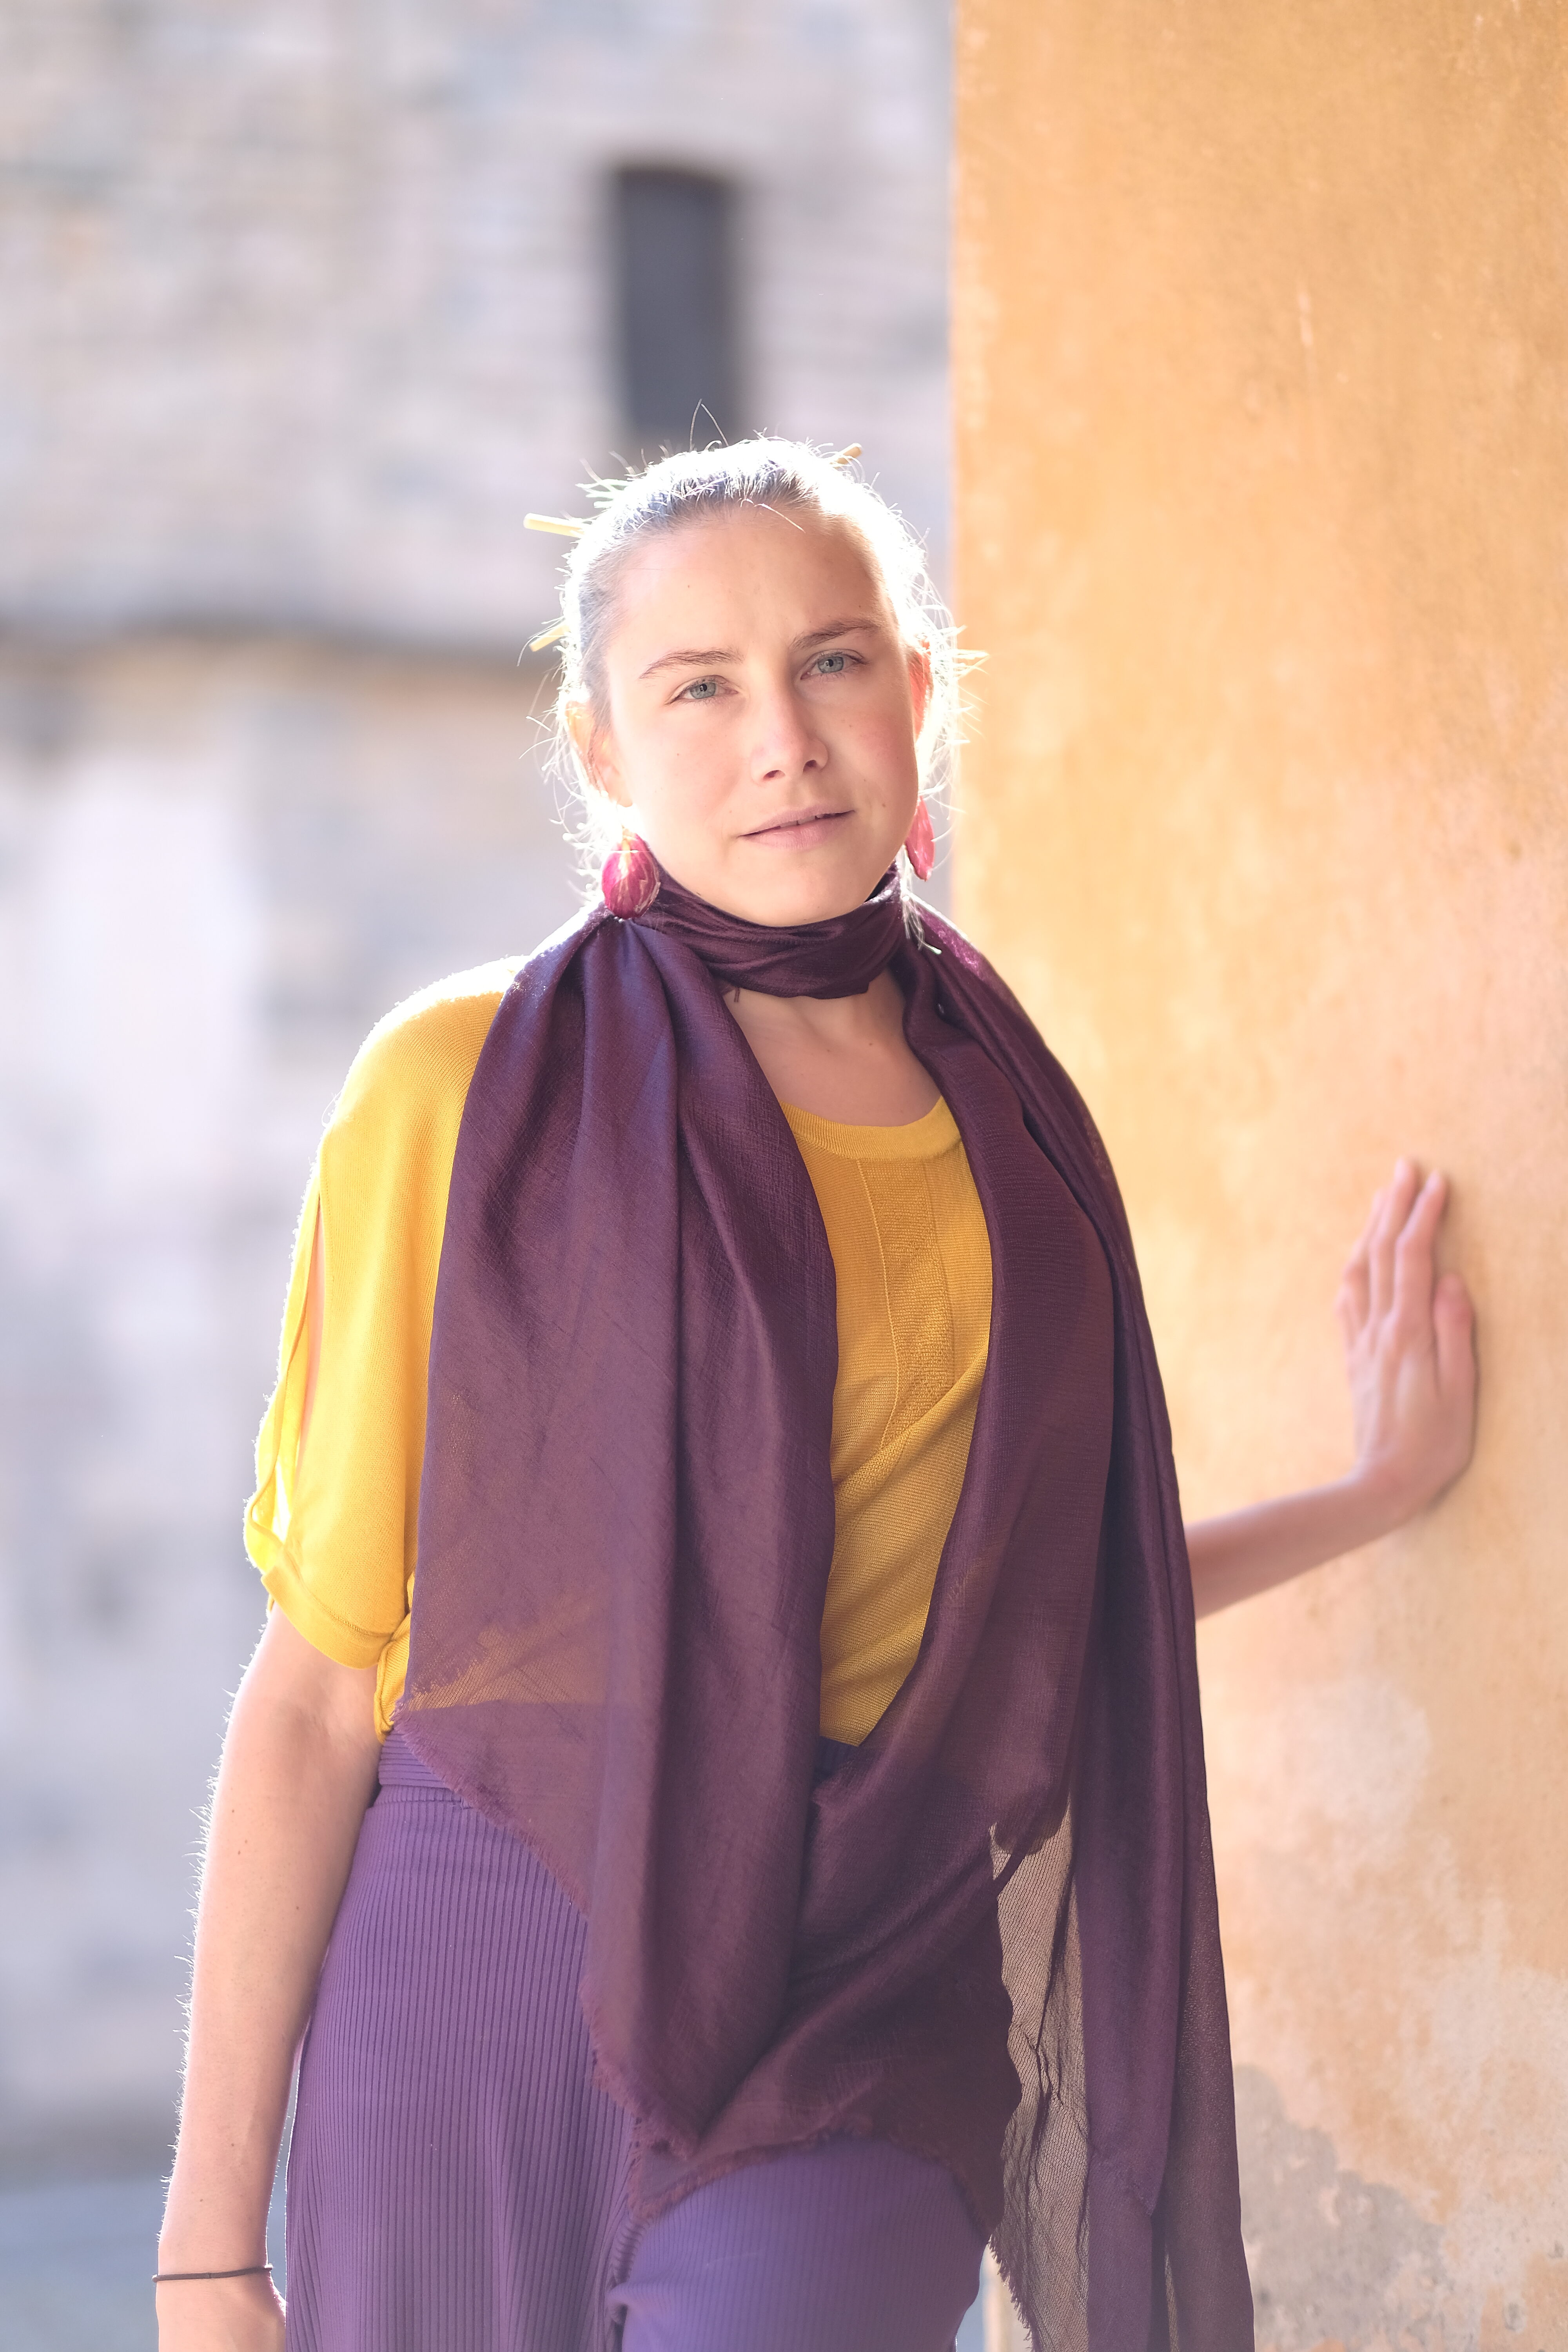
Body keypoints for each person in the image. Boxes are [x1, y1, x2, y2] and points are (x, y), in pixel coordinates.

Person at [155, 440, 1475, 2352]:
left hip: (858, 1976)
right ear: (603, 747)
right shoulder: (458, 1090)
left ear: (917, 693)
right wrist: (208, 2252)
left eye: (833, 661)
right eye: (699, 686)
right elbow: (317, 1688)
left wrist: (1377, 1489)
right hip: (477, 1947)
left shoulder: (1012, 1129)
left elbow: (1038, 1610)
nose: (780, 738)